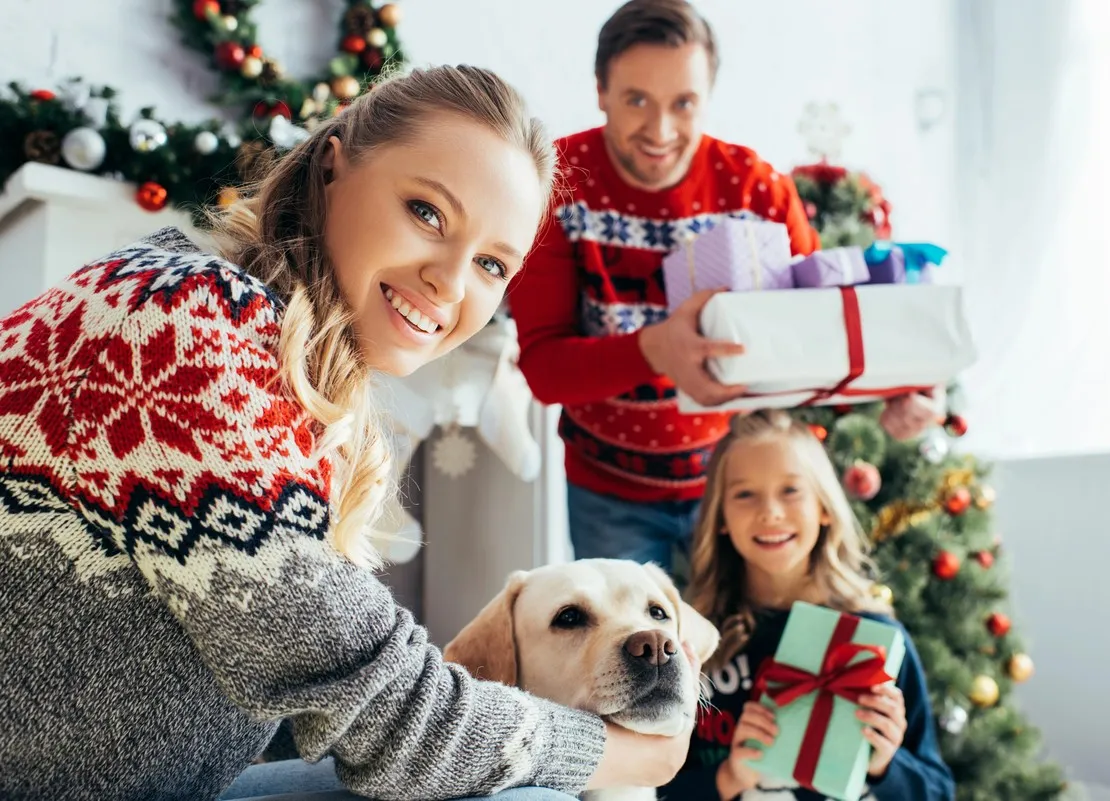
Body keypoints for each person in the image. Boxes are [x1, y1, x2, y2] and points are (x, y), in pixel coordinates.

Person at [0, 65, 696, 801]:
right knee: (532, 794)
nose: (452, 283)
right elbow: (395, 714)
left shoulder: (259, 349)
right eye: (427, 212)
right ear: (333, 165)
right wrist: (619, 756)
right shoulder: (183, 321)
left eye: (492, 263)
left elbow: (338, 693)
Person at [506, 0, 939, 577]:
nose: (660, 131)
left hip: (745, 488)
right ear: (600, 91)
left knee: (746, 660)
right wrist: (653, 349)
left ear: (707, 97)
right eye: (636, 99)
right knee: (630, 661)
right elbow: (544, 369)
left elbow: (815, 340)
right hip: (613, 495)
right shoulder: (557, 183)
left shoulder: (756, 191)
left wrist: (895, 396)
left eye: (683, 104)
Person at [661, 409, 955, 800]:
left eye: (791, 490)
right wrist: (728, 776)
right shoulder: (692, 643)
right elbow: (649, 786)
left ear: (824, 507)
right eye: (745, 494)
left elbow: (939, 792)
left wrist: (885, 764)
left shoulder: (877, 642)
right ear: (721, 517)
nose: (770, 512)